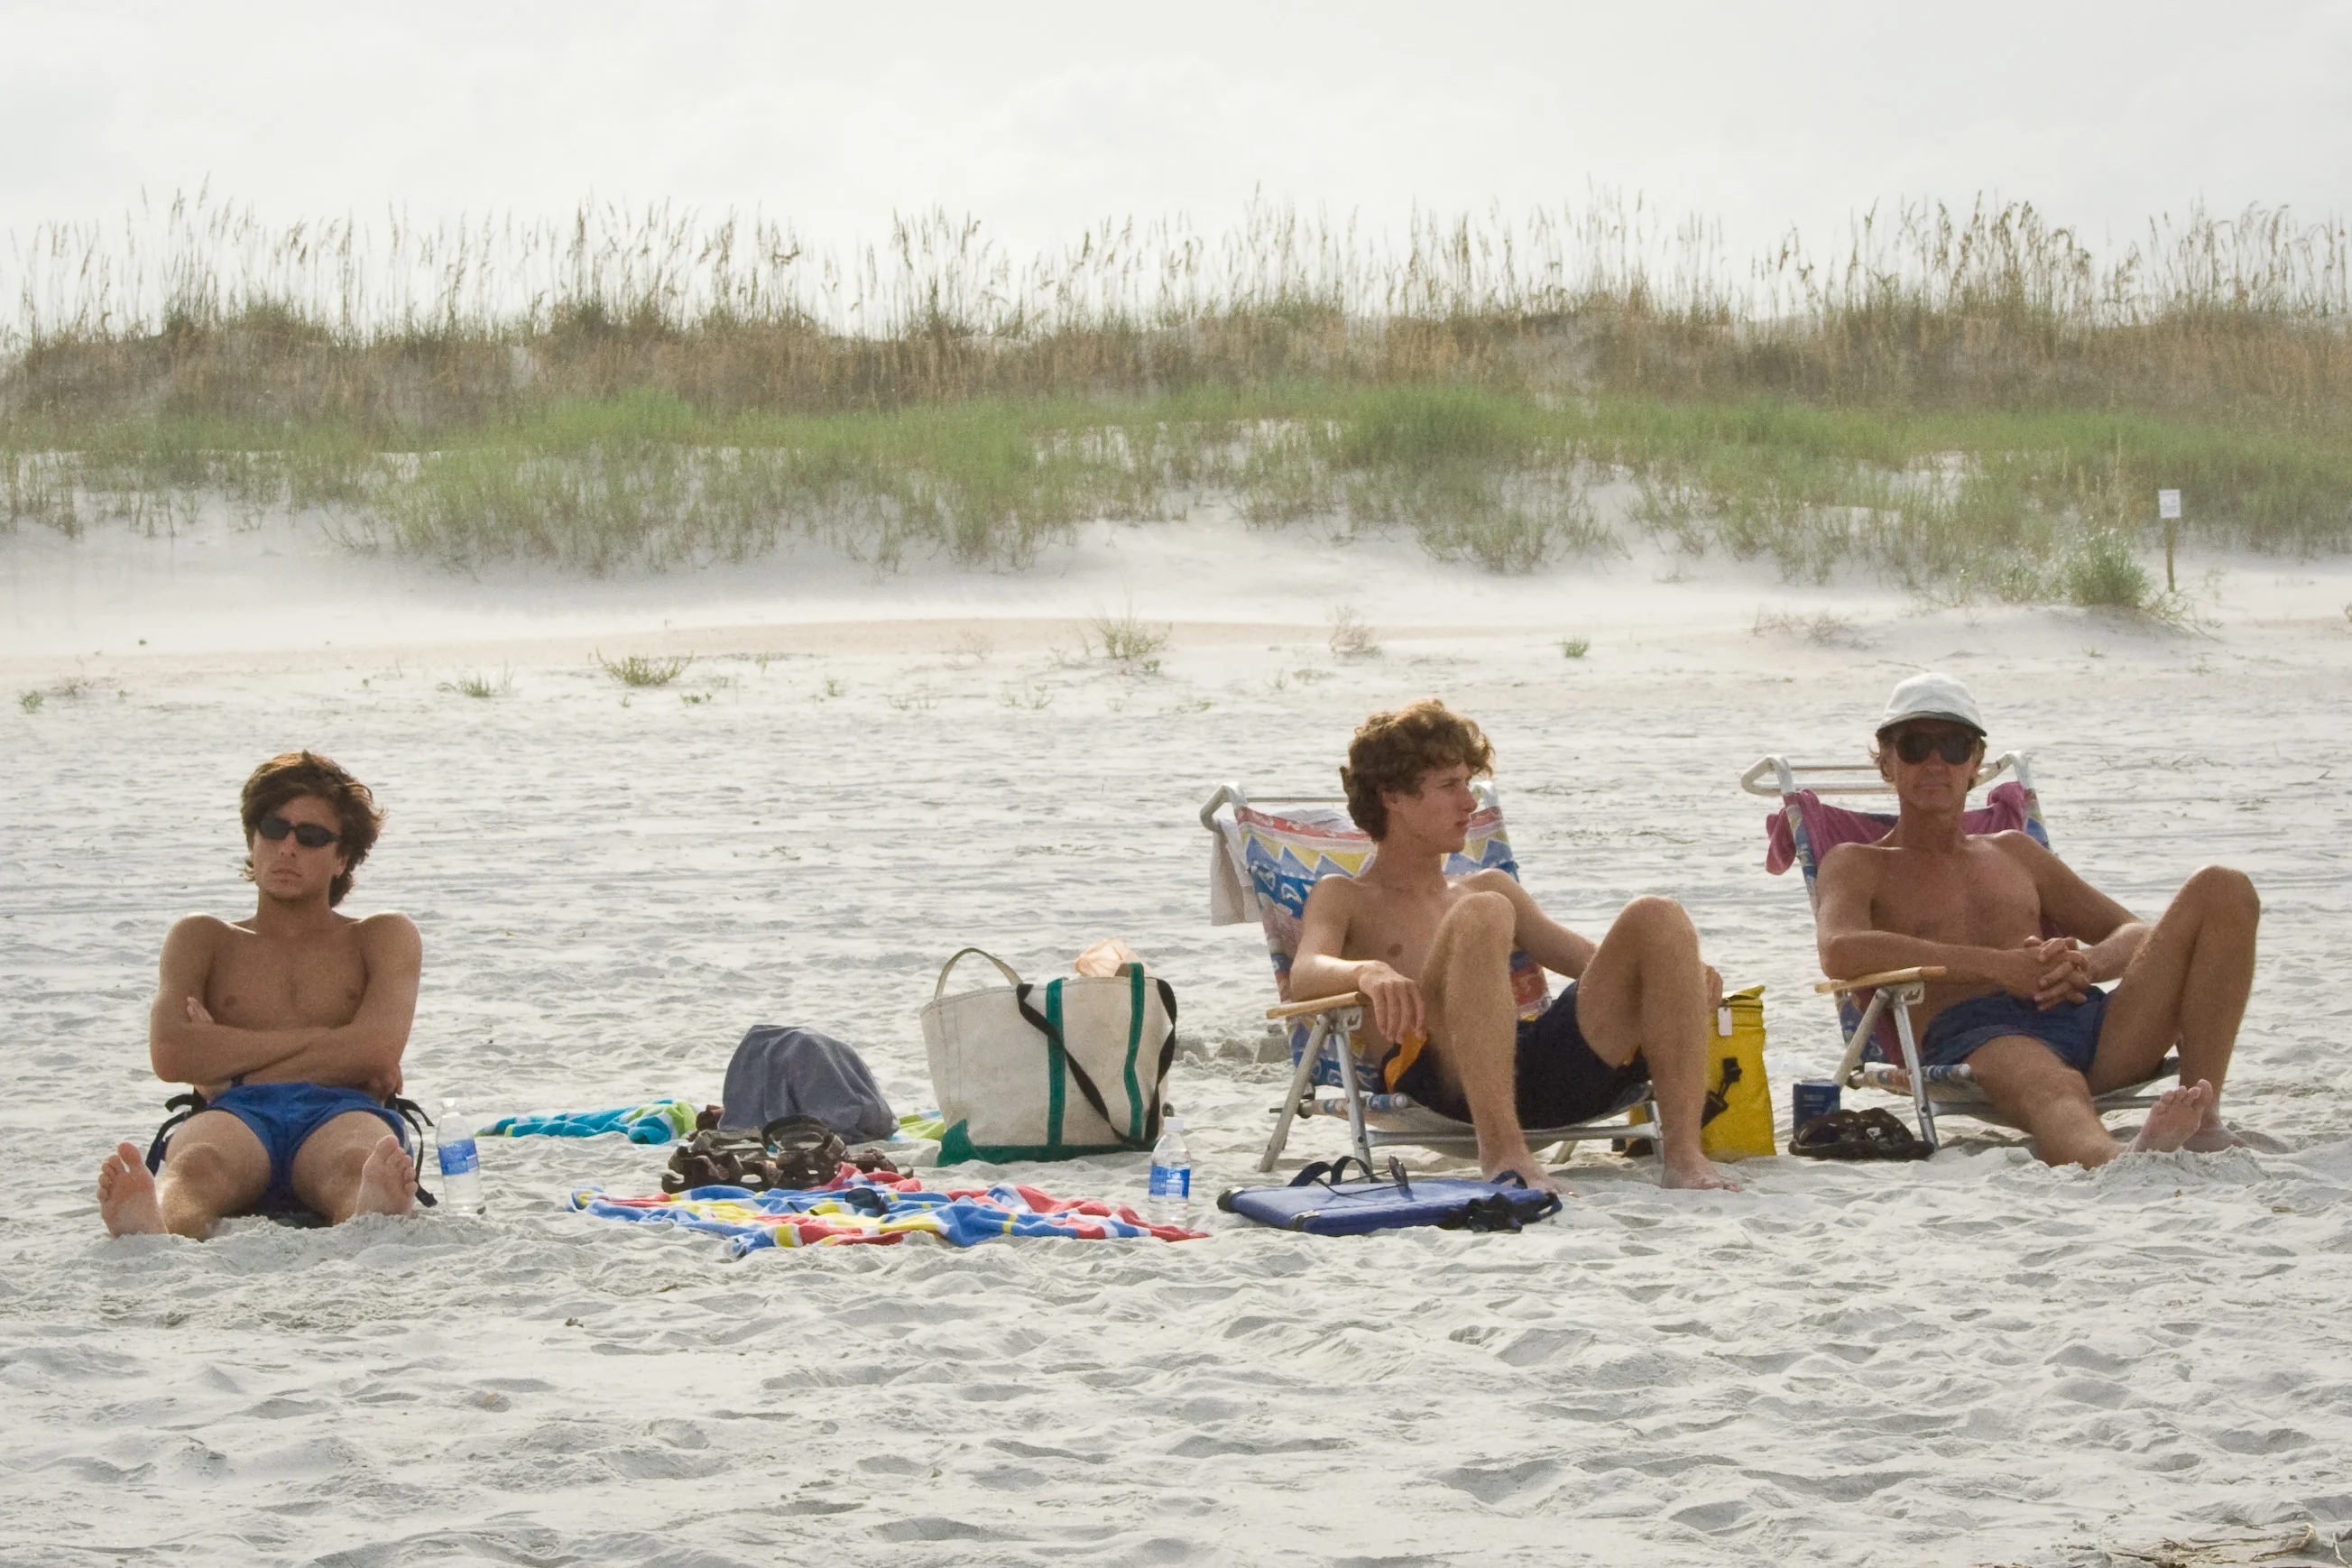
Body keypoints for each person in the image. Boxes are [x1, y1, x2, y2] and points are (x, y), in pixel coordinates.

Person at [1288, 700, 1739, 1193]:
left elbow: (1593, 963)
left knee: (1658, 915)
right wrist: (1367, 972)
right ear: (1392, 796)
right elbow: (1305, 972)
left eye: (1468, 783)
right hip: (1442, 1081)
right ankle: (1503, 1152)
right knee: (1484, 912)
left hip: (1541, 1072)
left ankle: (1684, 1156)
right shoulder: (1346, 896)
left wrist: (1677, 974)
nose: (1469, 802)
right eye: (1449, 787)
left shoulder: (1488, 884)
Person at [1813, 672, 2257, 1167]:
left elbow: (2135, 932)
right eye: (1915, 746)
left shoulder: (2014, 851)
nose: (1935, 762)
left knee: (2223, 887)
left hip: (2091, 1024)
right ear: (1889, 762)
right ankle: (2116, 1158)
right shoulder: (1858, 863)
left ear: (1976, 762)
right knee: (2055, 1083)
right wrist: (1999, 967)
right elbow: (1840, 947)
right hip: (1979, 1035)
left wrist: (2088, 964)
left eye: (1954, 745)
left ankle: (2205, 1115)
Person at [97, 752, 423, 1237]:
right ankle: (156, 1222)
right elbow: (169, 1054)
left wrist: (225, 1067)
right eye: (274, 829)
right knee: (199, 1165)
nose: (288, 847)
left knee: (355, 1163)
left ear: (342, 858)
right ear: (253, 840)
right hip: (236, 1111)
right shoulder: (202, 937)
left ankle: (368, 1213)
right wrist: (330, 1041)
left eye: (311, 837)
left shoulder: (381, 936)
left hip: (340, 1107)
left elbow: (375, 1050)